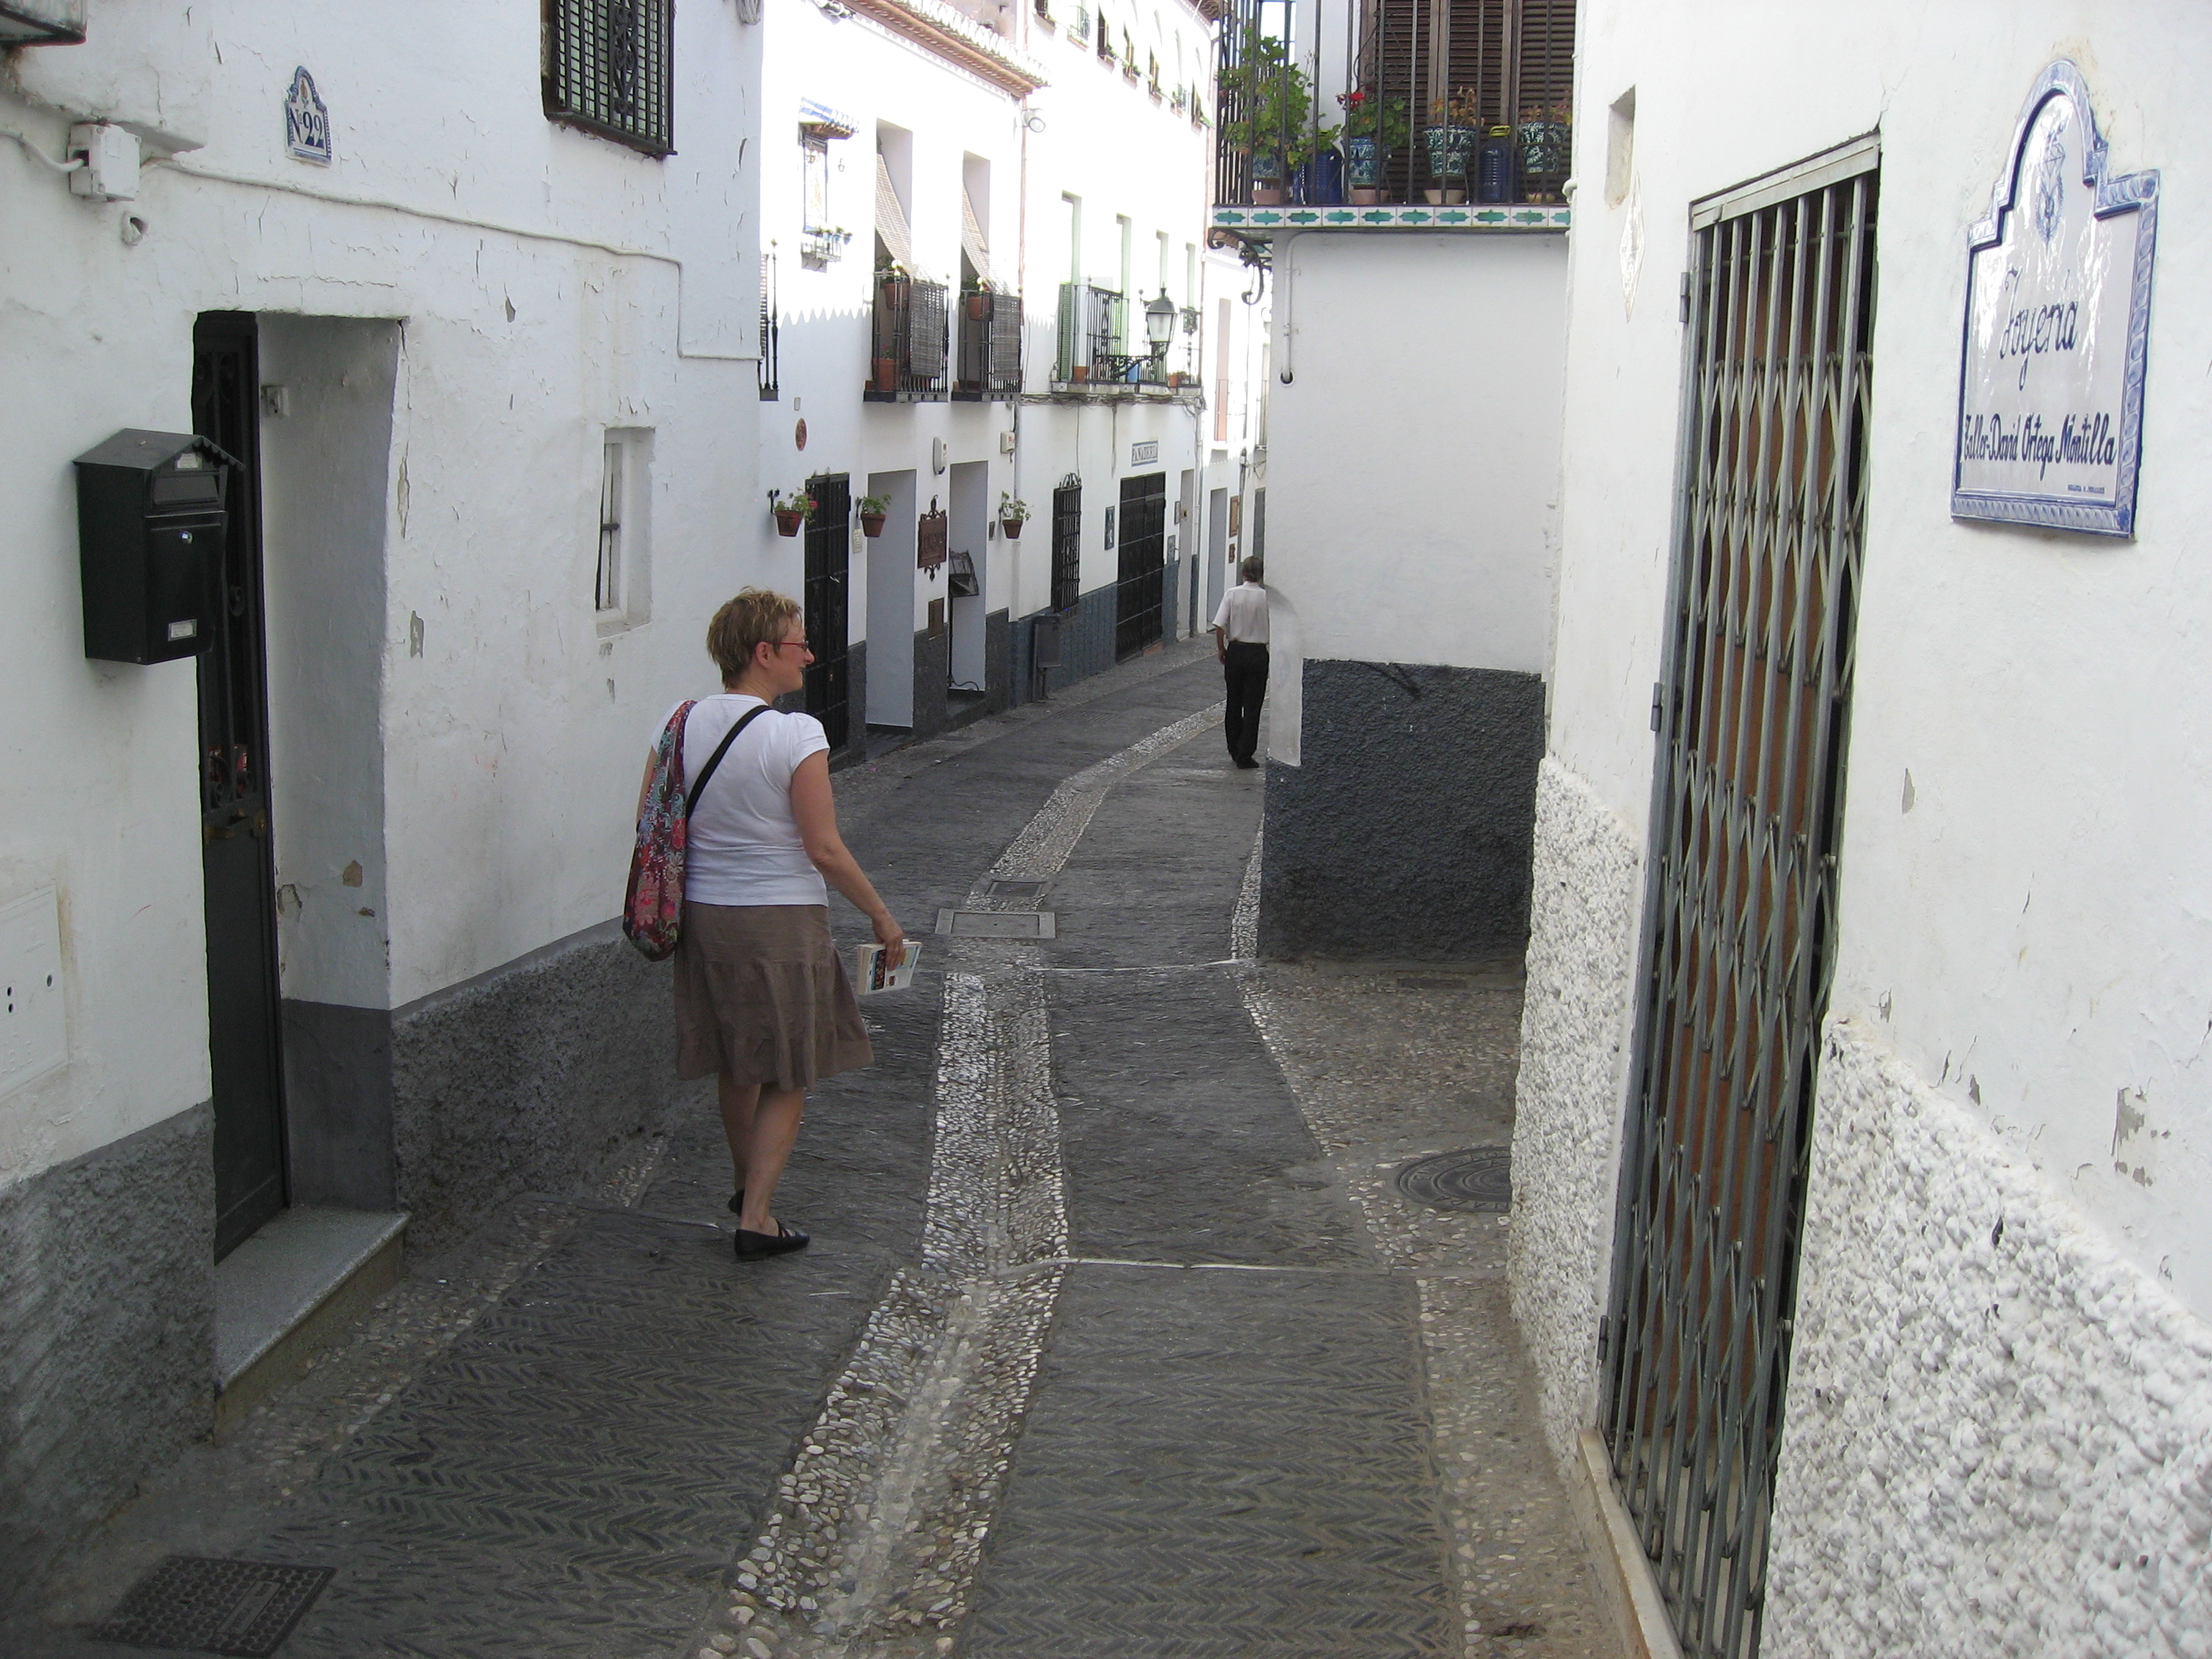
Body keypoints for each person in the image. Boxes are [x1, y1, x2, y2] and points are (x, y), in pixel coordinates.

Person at [637, 590, 904, 1261]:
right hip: (781, 922)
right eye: (798, 644)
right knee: (788, 1072)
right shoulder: (795, 734)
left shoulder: (677, 722)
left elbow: (651, 819)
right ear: (763, 653)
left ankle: (743, 1186)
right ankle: (757, 1217)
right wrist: (879, 914)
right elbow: (824, 848)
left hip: (706, 919)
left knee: (740, 1060)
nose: (809, 656)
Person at [1212, 555, 1269, 768]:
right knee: (1253, 706)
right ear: (1262, 574)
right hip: (1258, 653)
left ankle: (1234, 748)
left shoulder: (1232, 594)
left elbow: (1220, 626)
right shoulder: (1267, 598)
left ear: (1243, 572)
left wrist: (1221, 649)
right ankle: (1246, 753)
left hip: (1236, 651)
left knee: (1234, 701)